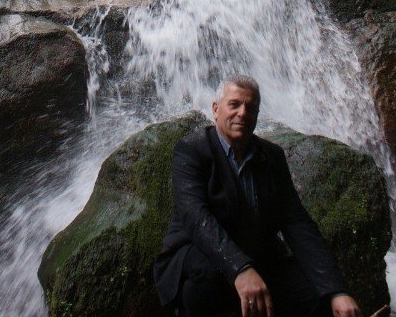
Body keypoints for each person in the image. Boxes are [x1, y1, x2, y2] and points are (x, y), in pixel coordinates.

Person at [153, 75, 363, 317]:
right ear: (216, 109)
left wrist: (337, 291)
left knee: (313, 293)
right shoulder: (192, 149)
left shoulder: (272, 156)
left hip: (259, 256)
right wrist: (239, 268)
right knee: (204, 281)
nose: (242, 113)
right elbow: (195, 216)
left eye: (250, 107)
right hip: (198, 257)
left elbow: (297, 223)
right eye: (234, 104)